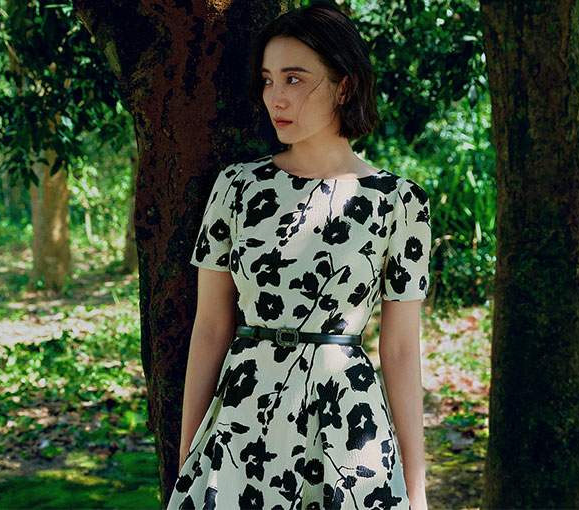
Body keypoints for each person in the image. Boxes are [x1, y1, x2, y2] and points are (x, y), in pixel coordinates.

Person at [166, 4, 431, 509]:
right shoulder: (237, 187)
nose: (276, 97)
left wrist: (415, 487)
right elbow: (211, 327)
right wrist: (188, 452)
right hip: (244, 419)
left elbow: (400, 349)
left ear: (344, 87)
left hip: (347, 423)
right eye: (268, 80)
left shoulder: (399, 202)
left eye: (294, 79)